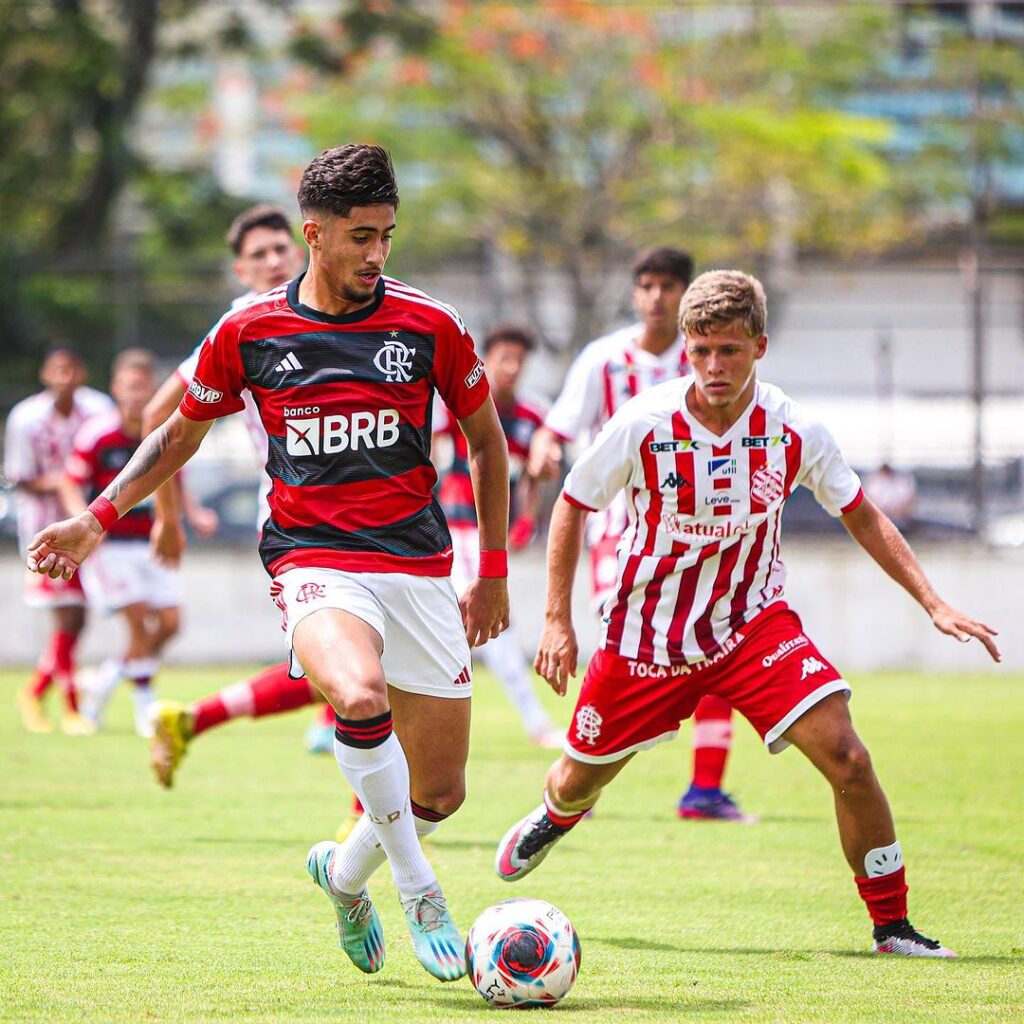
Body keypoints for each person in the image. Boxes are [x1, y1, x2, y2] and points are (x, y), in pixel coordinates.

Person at [27, 144, 510, 983]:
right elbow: (176, 431)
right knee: (356, 697)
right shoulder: (249, 330)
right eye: (360, 236)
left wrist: (495, 568)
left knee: (442, 792)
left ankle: (343, 873)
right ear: (313, 234)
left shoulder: (430, 322)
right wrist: (99, 517)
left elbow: (486, 440)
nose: (376, 254)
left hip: (422, 564)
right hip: (313, 557)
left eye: (387, 236)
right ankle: (419, 888)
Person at [495, 270, 1000, 958]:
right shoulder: (644, 423)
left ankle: (893, 926)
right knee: (579, 778)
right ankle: (555, 816)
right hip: (647, 633)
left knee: (848, 757)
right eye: (700, 351)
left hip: (752, 626)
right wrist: (557, 619)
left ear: (760, 346)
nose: (712, 367)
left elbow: (862, 514)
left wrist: (934, 602)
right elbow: (573, 501)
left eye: (728, 350)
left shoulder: (794, 429)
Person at [528, 247, 749, 822]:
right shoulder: (602, 359)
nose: (657, 298)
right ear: (635, 294)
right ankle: (582, 773)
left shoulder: (708, 359)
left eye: (669, 287)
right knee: (618, 649)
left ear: (686, 294)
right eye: (647, 286)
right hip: (620, 533)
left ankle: (703, 789)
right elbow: (557, 427)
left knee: (718, 645)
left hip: (700, 537)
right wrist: (547, 449)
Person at [141, 203, 323, 786]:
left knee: (347, 673)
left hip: (376, 514)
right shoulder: (244, 322)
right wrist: (167, 519)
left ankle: (192, 720)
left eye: (280, 249)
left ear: (301, 249)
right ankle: (368, 836)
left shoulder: (339, 304)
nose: (273, 261)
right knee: (368, 671)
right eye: (258, 256)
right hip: (303, 525)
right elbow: (156, 414)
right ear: (240, 273)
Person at [434, 323, 561, 748]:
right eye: (503, 357)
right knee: (488, 625)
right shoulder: (456, 404)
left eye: (519, 360)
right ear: (485, 359)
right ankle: (536, 722)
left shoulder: (531, 417)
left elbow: (534, 475)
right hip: (454, 531)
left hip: (488, 536)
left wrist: (528, 516)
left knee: (457, 630)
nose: (511, 367)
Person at [61, 349, 181, 737]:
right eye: (129, 387)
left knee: (169, 624)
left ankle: (102, 681)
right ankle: (146, 709)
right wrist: (86, 524)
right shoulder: (98, 435)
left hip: (150, 542)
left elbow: (176, 478)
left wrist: (187, 517)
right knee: (141, 627)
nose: (136, 395)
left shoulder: (163, 432)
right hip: (111, 548)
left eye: (144, 387)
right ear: (115, 389)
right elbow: (69, 482)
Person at [5, 347, 112, 735]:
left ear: (81, 373)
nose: (65, 378)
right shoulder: (26, 418)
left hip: (86, 528)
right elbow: (18, 476)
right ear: (45, 375)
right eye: (57, 370)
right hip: (44, 531)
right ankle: (70, 707)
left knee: (77, 618)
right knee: (67, 615)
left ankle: (35, 692)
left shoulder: (99, 409)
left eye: (71, 369)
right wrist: (58, 482)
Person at [864, 463, 917, 533]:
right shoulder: (873, 482)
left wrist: (897, 511)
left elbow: (909, 500)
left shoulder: (900, 482)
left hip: (898, 518)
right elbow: (868, 499)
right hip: (878, 517)